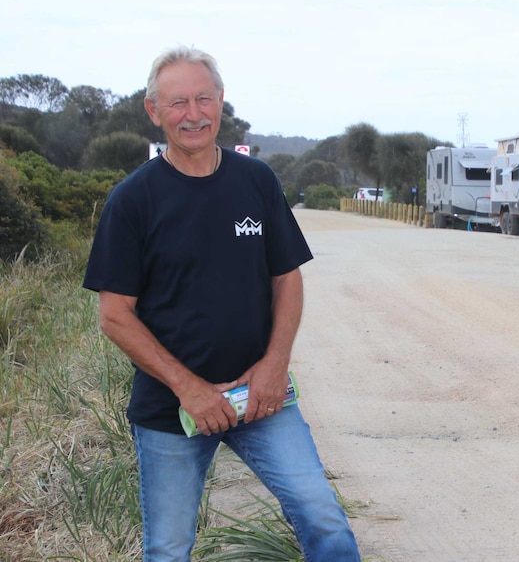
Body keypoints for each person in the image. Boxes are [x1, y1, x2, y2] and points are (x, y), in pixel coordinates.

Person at [82, 45, 361, 562]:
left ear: (221, 102)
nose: (194, 114)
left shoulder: (255, 181)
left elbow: (287, 279)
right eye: (178, 102)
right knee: (168, 549)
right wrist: (190, 390)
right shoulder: (133, 199)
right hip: (173, 410)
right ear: (154, 111)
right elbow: (115, 314)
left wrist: (275, 366)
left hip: (262, 398)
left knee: (323, 518)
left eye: (203, 99)